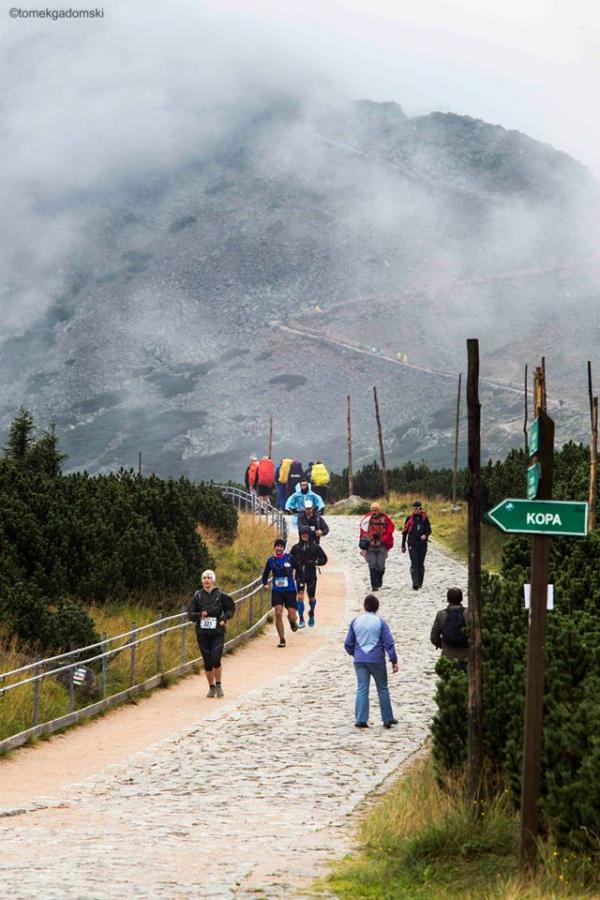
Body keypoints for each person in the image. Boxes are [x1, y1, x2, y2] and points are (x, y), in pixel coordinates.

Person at [344, 594, 399, 728]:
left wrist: (356, 653)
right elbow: (388, 642)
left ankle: (361, 719)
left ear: (365, 606)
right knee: (382, 688)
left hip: (360, 659)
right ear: (377, 607)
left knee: (362, 688)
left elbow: (348, 643)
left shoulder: (356, 621)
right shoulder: (380, 622)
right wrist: (393, 659)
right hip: (377, 659)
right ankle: (387, 718)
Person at [188, 570, 236, 698]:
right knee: (207, 661)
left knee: (216, 659)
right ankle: (211, 687)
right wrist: (199, 615)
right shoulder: (197, 596)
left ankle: (219, 685)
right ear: (202, 581)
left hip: (217, 631)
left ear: (213, 580)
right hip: (202, 632)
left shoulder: (220, 595)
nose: (206, 580)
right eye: (204, 578)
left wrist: (224, 618)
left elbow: (231, 608)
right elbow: (190, 615)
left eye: (209, 578)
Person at [262, 538, 299, 647]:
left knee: (292, 615)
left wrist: (300, 581)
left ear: (283, 548)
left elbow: (299, 569)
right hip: (277, 591)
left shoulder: (290, 558)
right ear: (275, 547)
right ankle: (282, 639)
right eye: (277, 546)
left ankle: (292, 621)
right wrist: (265, 583)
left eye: (281, 546)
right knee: (278, 613)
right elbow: (265, 575)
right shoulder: (270, 560)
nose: (279, 548)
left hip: (290, 590)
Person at [290, 525, 328, 628]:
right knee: (300, 596)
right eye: (302, 534)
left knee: (311, 598)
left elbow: (324, 559)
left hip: (311, 575)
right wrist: (293, 566)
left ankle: (311, 612)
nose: (304, 535)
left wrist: (314, 562)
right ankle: (301, 619)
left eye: (306, 533)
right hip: (300, 575)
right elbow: (290, 560)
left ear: (309, 534)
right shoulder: (295, 548)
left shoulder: (315, 547)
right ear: (300, 535)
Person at [358, 502, 395, 590]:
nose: (374, 512)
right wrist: (366, 541)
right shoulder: (366, 520)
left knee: (381, 566)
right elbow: (363, 531)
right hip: (370, 546)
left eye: (376, 510)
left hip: (381, 546)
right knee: (372, 565)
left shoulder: (385, 519)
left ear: (379, 510)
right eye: (372, 510)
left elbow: (390, 530)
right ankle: (374, 585)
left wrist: (382, 540)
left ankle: (379, 579)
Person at [430, 588, 469, 669]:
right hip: (466, 655)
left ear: (447, 599)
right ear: (461, 598)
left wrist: (443, 645)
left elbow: (434, 637)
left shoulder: (441, 614)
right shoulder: (468, 613)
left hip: (447, 656)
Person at [401, 500, 432, 590]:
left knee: (420, 563)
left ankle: (420, 581)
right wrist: (403, 545)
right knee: (414, 562)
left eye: (420, 508)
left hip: (422, 544)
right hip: (412, 543)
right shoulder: (409, 519)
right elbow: (405, 532)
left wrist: (425, 535)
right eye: (416, 509)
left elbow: (429, 530)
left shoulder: (425, 518)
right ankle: (415, 582)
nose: (418, 510)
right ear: (413, 509)